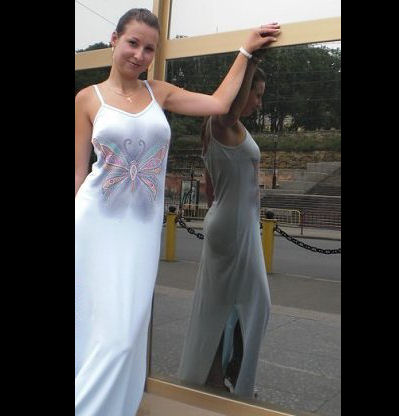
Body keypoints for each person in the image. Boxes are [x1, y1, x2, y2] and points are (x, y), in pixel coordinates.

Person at [75, 7, 280, 416]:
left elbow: (219, 102)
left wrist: (245, 52)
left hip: (141, 233)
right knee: (101, 330)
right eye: (133, 43)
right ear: (114, 40)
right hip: (94, 226)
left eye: (149, 49)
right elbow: (79, 173)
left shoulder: (160, 93)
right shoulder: (86, 99)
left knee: (128, 334)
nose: (139, 55)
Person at [177, 55, 271, 398]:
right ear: (241, 91)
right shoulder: (221, 122)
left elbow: (210, 187)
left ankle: (219, 374)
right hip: (233, 225)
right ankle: (234, 376)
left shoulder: (227, 128)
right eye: (256, 94)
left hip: (234, 221)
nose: (259, 102)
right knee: (256, 303)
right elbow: (227, 113)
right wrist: (249, 61)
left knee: (225, 304)